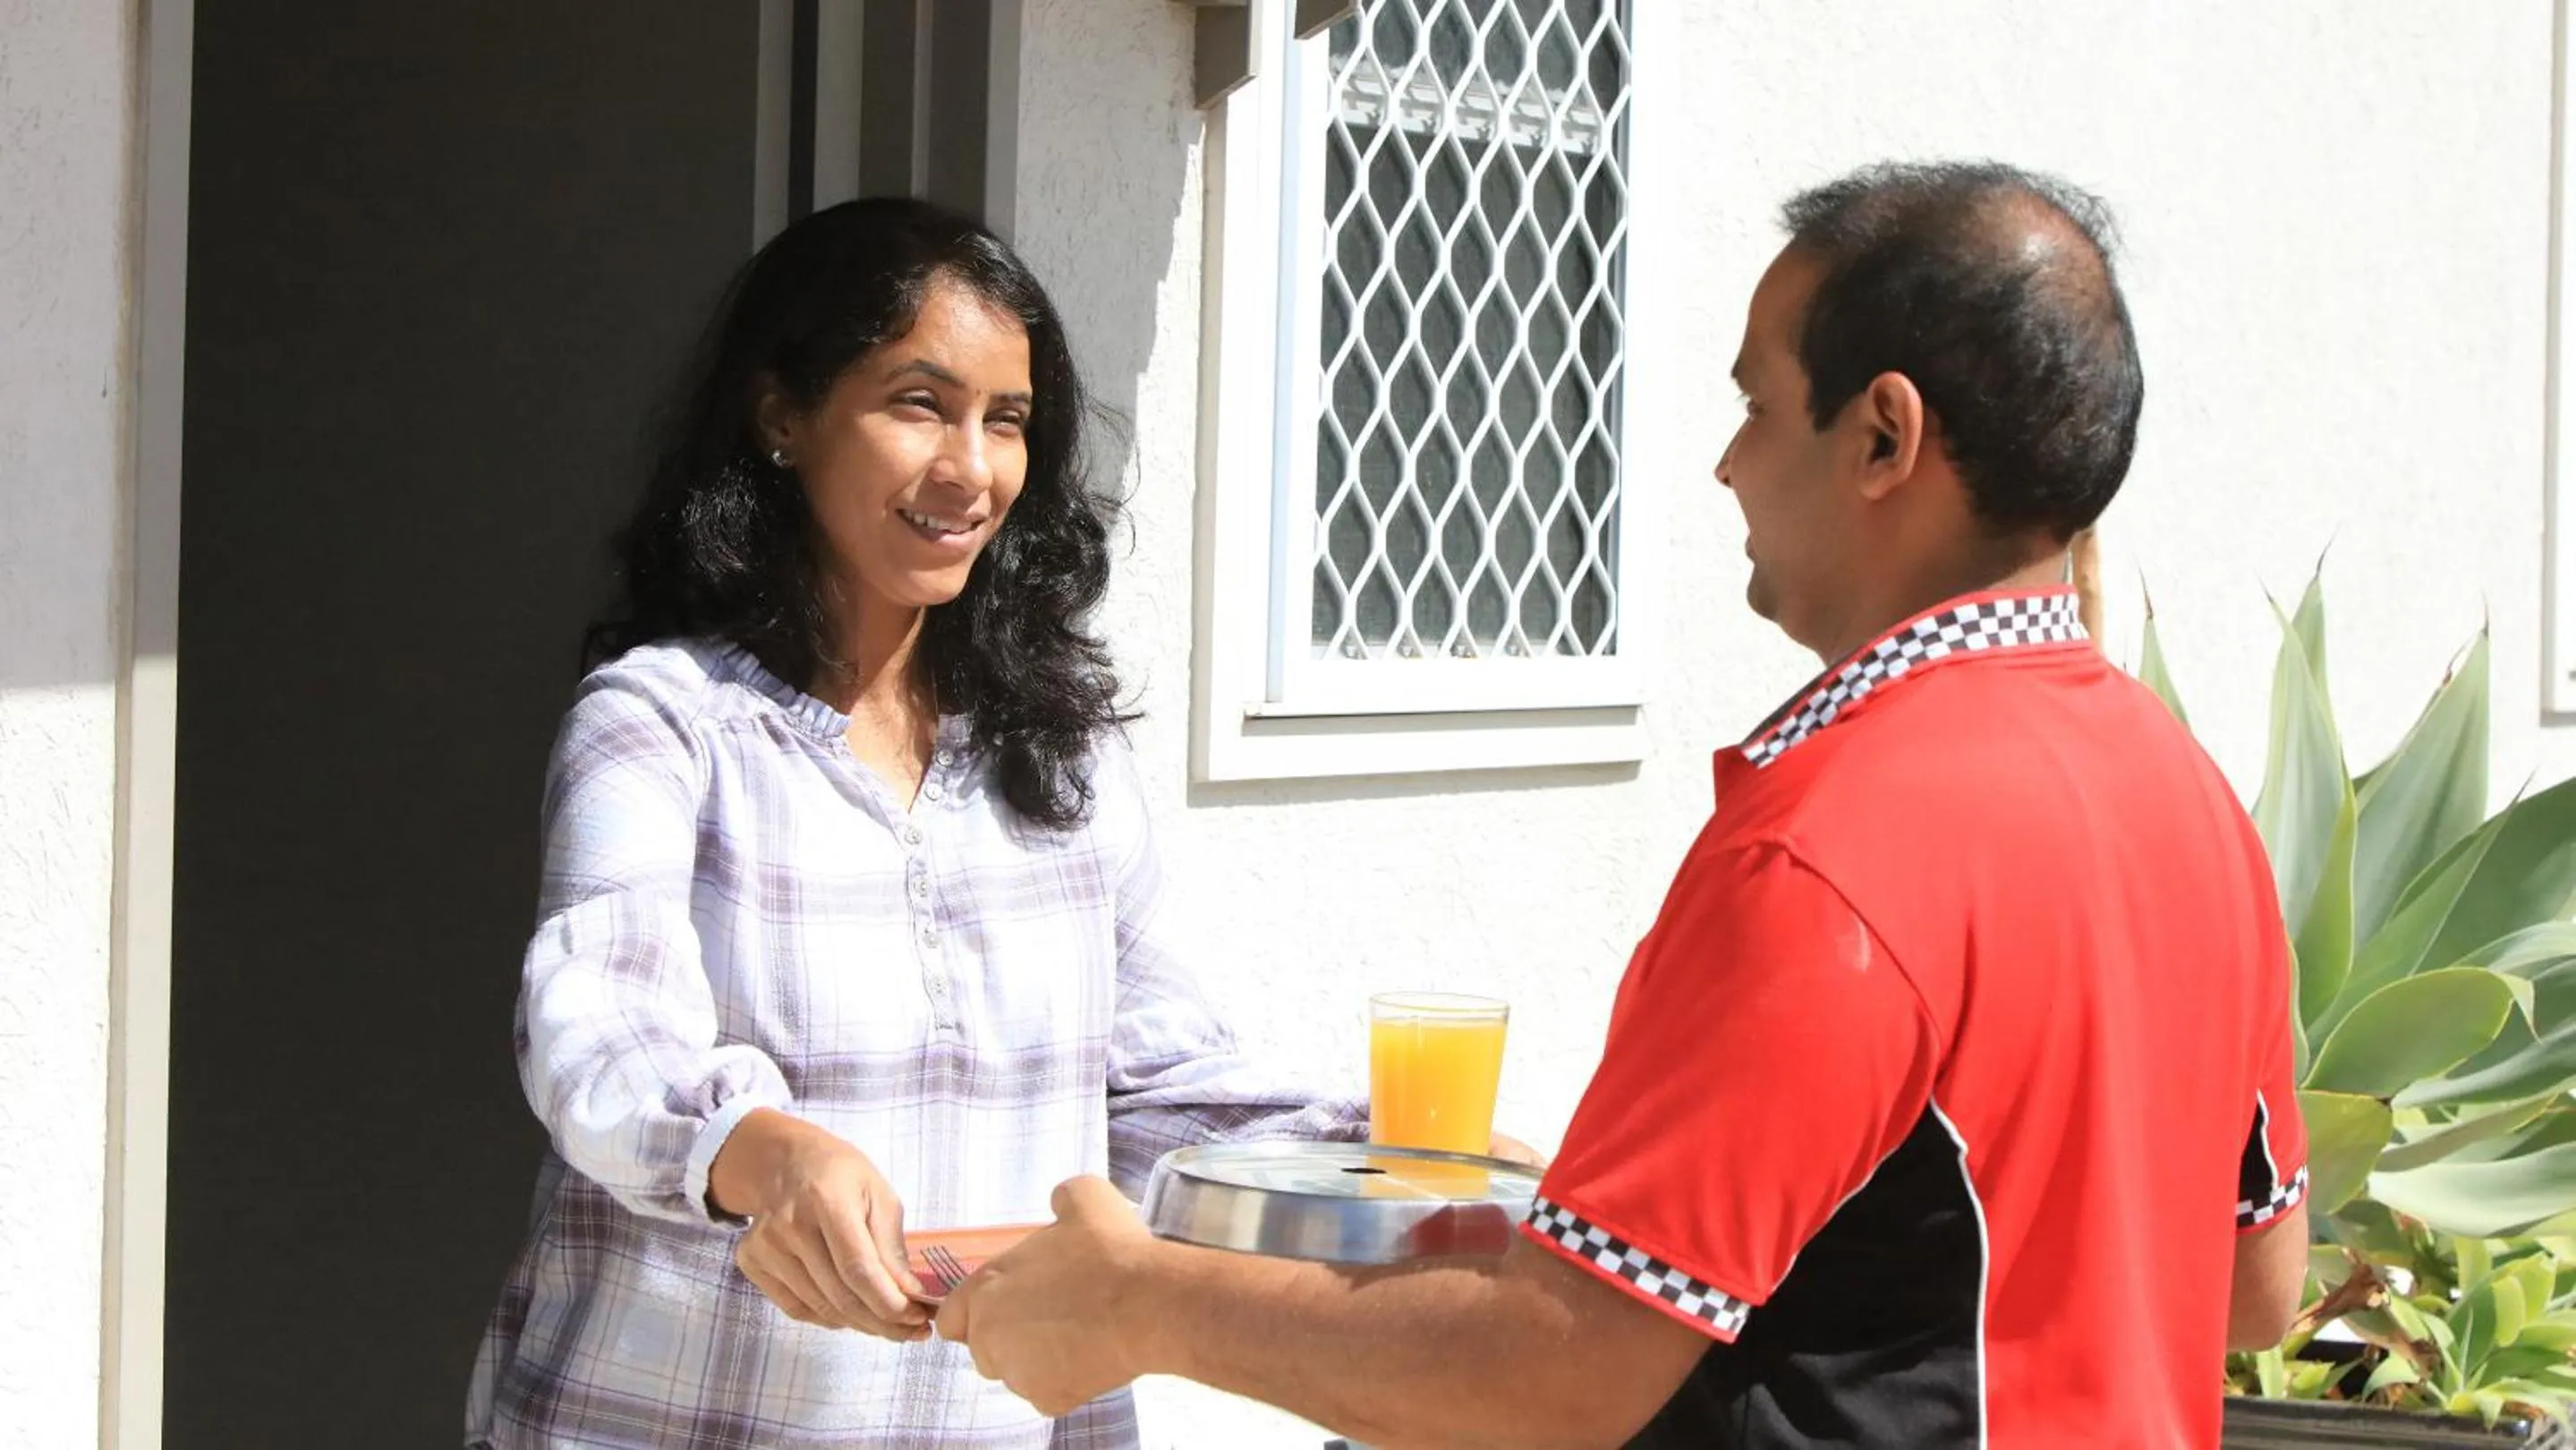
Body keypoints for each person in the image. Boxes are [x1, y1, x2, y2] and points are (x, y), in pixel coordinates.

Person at [934, 161, 2312, 1448]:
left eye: (1758, 407)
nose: (1726, 464)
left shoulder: (1835, 850)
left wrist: (1144, 1300)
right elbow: (2251, 1288)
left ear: (1883, 435)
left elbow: (1557, 1366)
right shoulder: (2189, 804)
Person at [463, 197, 1371, 1449]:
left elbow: (1152, 1093)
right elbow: (596, 1025)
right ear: (782, 414)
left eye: (1006, 420)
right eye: (918, 404)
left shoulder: (1063, 754)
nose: (971, 468)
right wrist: (760, 1150)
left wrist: (1385, 1162)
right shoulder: (665, 722)